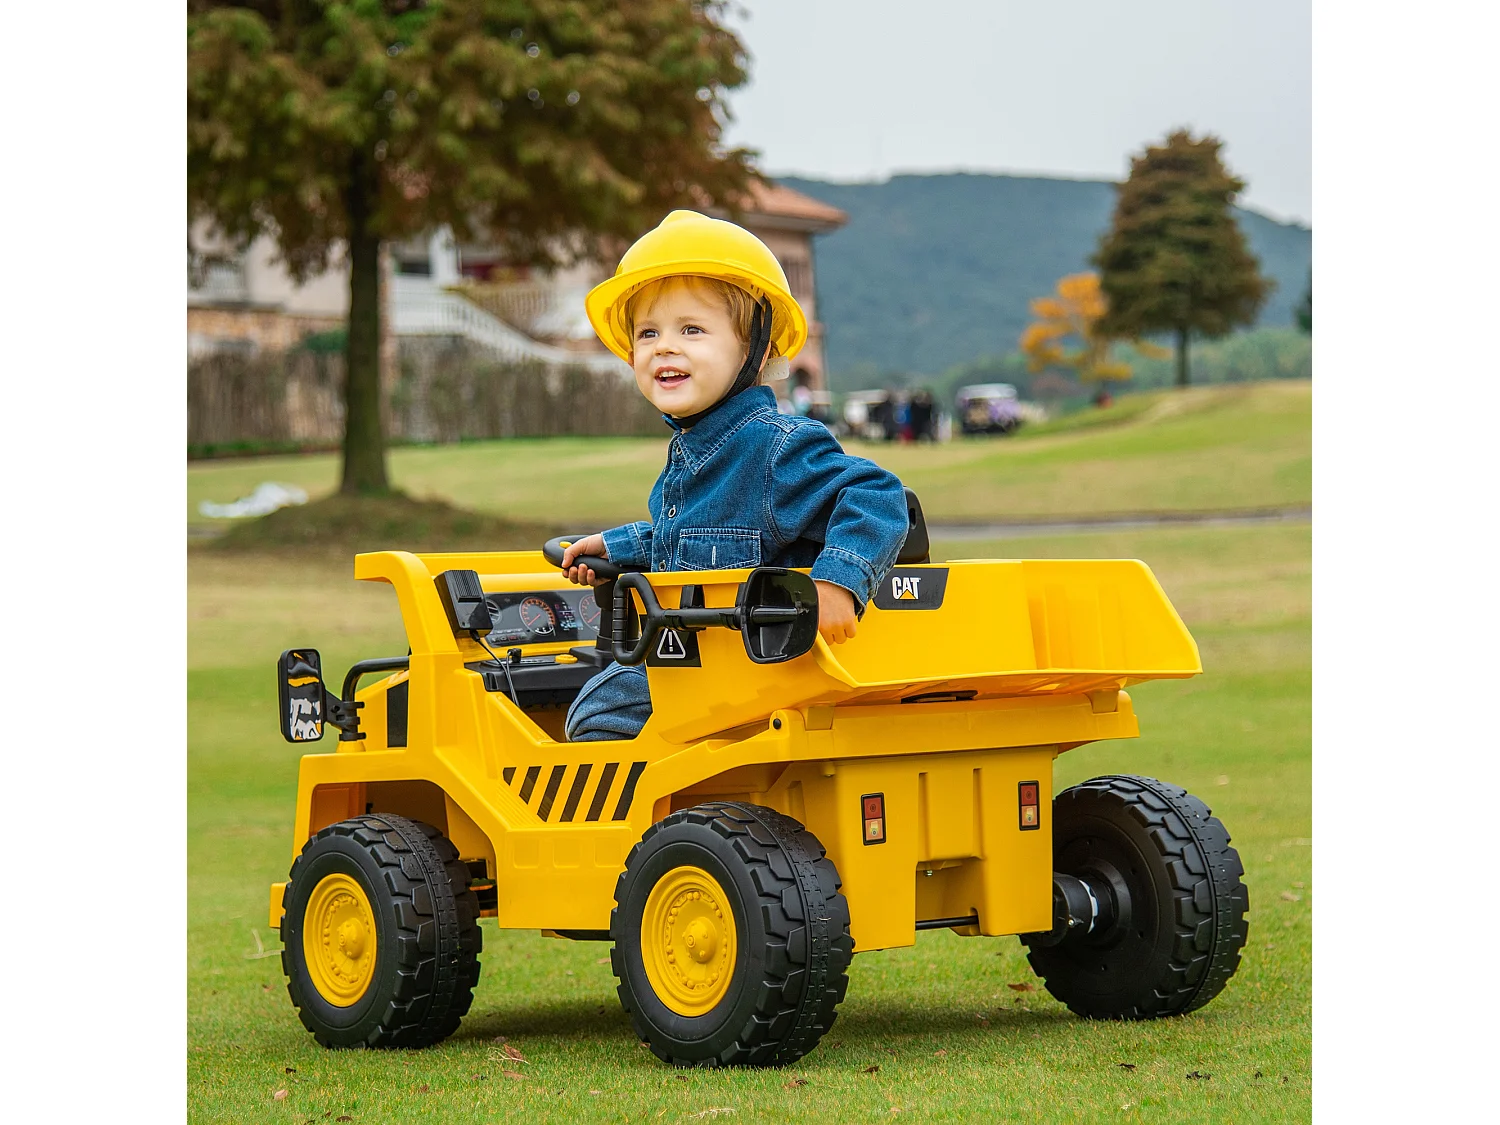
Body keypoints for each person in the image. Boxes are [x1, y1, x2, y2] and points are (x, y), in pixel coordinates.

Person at [558, 210, 910, 741]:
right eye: (647, 332)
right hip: (705, 664)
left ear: (759, 348)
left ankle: (615, 826)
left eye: (692, 330)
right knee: (596, 696)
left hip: (749, 670)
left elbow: (877, 494)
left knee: (596, 716)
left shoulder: (777, 446)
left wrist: (837, 583)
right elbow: (703, 545)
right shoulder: (692, 452)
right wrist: (620, 545)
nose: (664, 347)